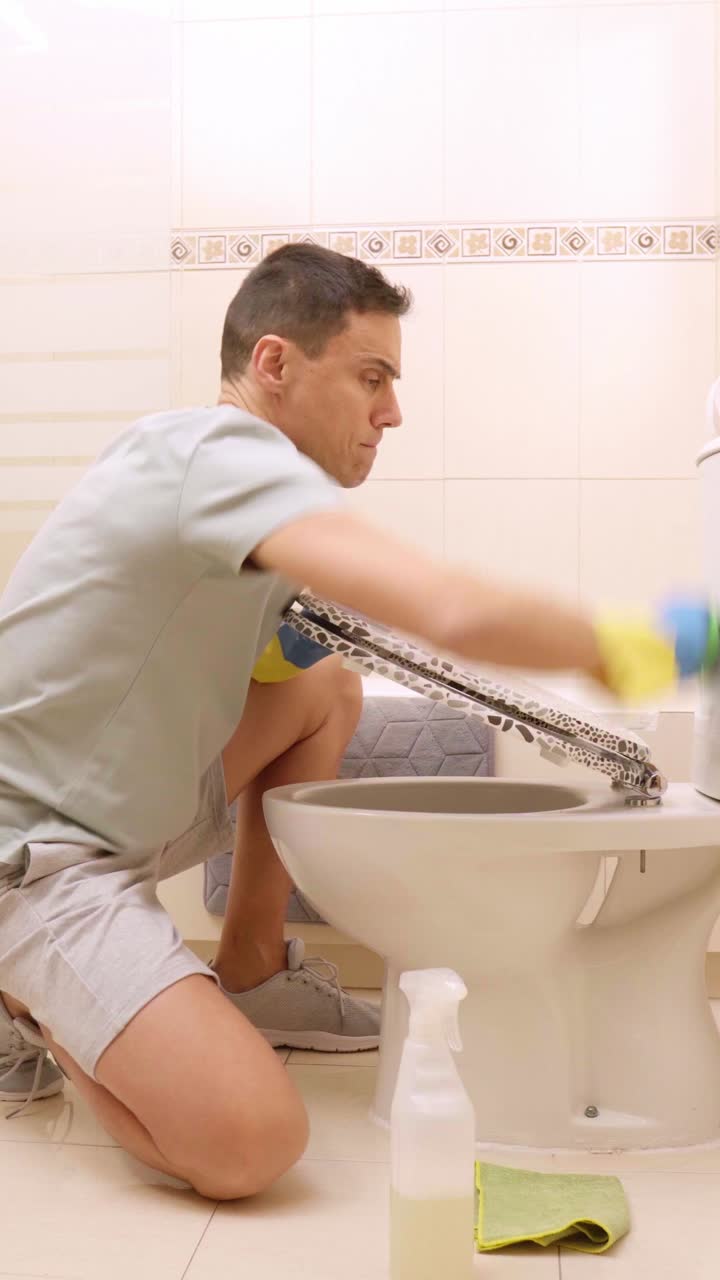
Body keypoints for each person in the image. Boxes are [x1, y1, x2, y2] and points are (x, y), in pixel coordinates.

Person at [0, 244, 671, 1200]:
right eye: (372, 378)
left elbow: (283, 660)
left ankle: (253, 964)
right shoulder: (217, 453)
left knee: (328, 692)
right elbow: (453, 611)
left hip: (119, 812)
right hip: (37, 857)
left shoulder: (213, 484)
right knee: (253, 1145)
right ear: (275, 365)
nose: (390, 413)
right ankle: (29, 1004)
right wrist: (657, 642)